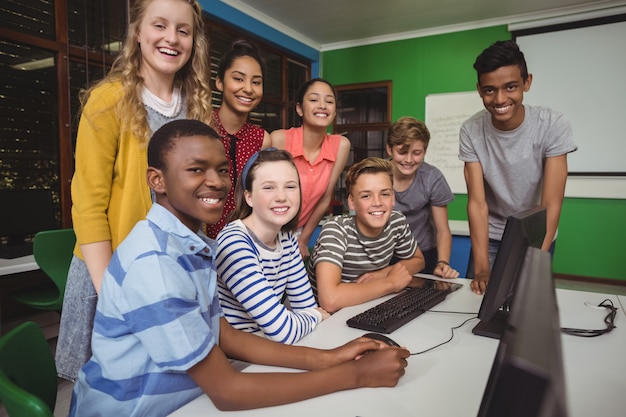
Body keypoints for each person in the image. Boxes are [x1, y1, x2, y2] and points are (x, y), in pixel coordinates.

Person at [68, 119, 410, 416]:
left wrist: (330, 357)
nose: (216, 181)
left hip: (188, 398)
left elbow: (224, 335)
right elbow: (227, 392)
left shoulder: (192, 244)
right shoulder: (155, 264)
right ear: (157, 180)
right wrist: (356, 375)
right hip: (135, 410)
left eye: (222, 170)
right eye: (195, 169)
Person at [56, 0, 213, 382]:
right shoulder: (109, 100)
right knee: (109, 393)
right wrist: (114, 292)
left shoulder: (197, 107)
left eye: (183, 30)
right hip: (111, 275)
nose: (171, 38)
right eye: (159, 26)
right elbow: (89, 205)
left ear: (193, 41)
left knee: (167, 388)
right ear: (138, 32)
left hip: (172, 273)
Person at [459, 40, 577, 295]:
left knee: (525, 306)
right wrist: (481, 268)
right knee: (475, 306)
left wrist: (535, 262)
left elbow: (551, 204)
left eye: (510, 87)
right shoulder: (471, 130)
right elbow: (478, 204)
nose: (500, 99)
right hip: (489, 236)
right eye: (490, 90)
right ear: (479, 89)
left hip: (536, 233)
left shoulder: (552, 124)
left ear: (527, 82)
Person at [216, 148, 329, 344]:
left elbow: (305, 306)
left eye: (290, 187)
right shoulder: (234, 243)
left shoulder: (287, 237)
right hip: (236, 357)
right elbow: (283, 330)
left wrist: (306, 317)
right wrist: (316, 316)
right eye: (269, 188)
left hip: (269, 347)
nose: (281, 197)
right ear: (248, 197)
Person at [307, 157, 426, 313]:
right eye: (366, 196)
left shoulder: (396, 221)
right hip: (325, 319)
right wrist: (390, 283)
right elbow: (330, 300)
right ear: (352, 202)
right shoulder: (336, 229)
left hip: (368, 307)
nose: (377, 202)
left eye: (384, 194)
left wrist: (381, 274)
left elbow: (418, 260)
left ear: (393, 198)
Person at [270, 78, 351, 258]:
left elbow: (325, 198)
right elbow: (260, 191)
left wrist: (303, 239)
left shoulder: (341, 145)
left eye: (329, 101)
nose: (322, 105)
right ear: (299, 108)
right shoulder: (279, 140)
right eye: (314, 100)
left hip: (296, 233)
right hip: (265, 229)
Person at [206, 39, 272, 239]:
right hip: (199, 239)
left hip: (245, 242)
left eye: (256, 82)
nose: (248, 89)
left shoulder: (262, 139)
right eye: (238, 79)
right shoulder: (201, 126)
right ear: (219, 82)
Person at [386, 116, 459, 278]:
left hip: (423, 253)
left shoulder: (432, 178)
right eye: (402, 152)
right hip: (383, 254)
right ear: (389, 150)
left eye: (417, 153)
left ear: (425, 152)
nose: (409, 160)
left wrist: (443, 263)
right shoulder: (376, 175)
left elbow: (442, 230)